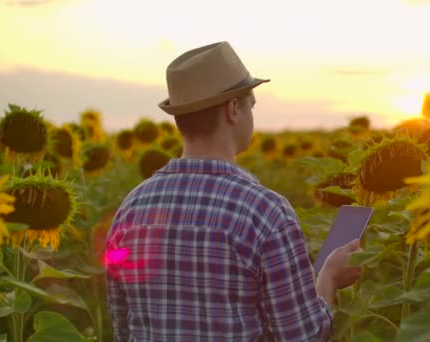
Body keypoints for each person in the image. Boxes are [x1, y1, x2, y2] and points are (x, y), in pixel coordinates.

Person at [105, 41, 362, 341]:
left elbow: (122, 325)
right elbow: (302, 336)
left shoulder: (131, 209)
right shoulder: (265, 213)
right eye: (251, 104)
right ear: (233, 109)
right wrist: (329, 277)